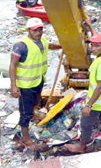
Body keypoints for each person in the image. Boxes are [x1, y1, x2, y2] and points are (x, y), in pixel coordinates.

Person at [9, 17, 62, 152]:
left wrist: (62, 45)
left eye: (40, 30)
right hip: (25, 85)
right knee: (25, 112)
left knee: (35, 103)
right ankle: (25, 138)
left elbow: (50, 46)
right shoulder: (21, 45)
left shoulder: (42, 40)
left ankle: (34, 115)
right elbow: (12, 65)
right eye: (35, 30)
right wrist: (13, 85)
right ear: (28, 30)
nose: (38, 33)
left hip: (38, 80)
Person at [65, 33, 101, 153]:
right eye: (92, 46)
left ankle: (81, 147)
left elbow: (100, 86)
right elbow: (100, 39)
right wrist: (90, 26)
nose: (93, 49)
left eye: (96, 46)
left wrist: (88, 106)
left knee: (85, 123)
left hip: (98, 102)